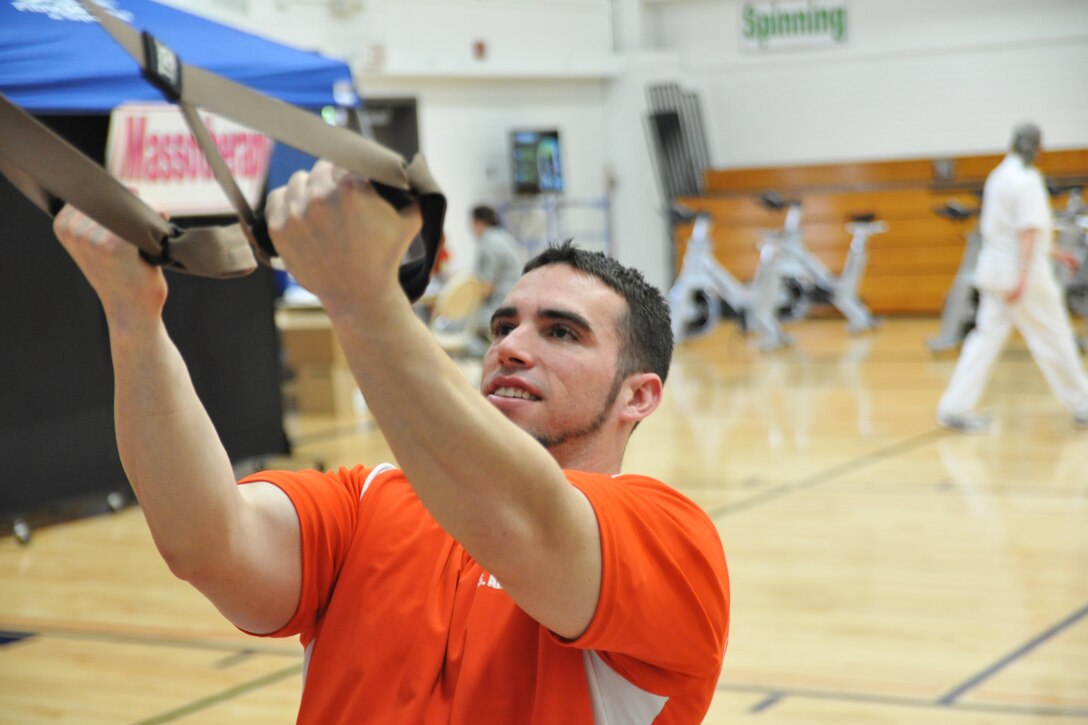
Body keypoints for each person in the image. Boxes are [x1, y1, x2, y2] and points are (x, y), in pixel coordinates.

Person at [51, 159, 730, 723]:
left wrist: (362, 298)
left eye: (561, 331)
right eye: (503, 326)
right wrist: (133, 319)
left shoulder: (674, 545)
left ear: (639, 395)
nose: (511, 347)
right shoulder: (370, 499)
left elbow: (523, 521)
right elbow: (206, 539)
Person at [937, 123, 1088, 432]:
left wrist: (1055, 252)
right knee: (1055, 338)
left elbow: (1013, 229)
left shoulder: (999, 175)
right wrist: (1022, 278)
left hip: (993, 271)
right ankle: (1082, 404)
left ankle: (954, 408)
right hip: (1023, 274)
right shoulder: (1027, 178)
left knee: (984, 340)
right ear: (1037, 147)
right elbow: (1027, 231)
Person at [469, 204, 525, 353]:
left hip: (500, 305)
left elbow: (486, 288)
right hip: (516, 301)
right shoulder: (503, 237)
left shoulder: (488, 243)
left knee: (459, 322)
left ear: (477, 222)